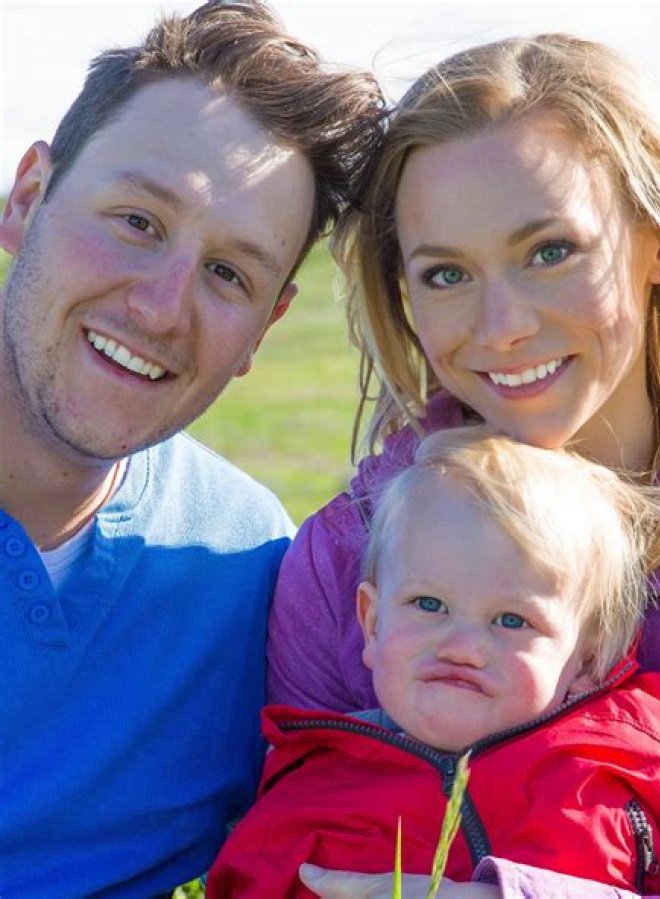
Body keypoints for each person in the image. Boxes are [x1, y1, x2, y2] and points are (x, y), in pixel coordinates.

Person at [267, 32, 660, 899]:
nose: (502, 326)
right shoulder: (344, 560)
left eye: (550, 251)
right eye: (446, 274)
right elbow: (284, 845)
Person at [0, 2, 384, 895]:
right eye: (137, 221)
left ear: (264, 329)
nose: (162, 308)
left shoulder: (249, 567)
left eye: (227, 274)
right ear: (27, 199)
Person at [209, 427, 660, 898]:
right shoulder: (314, 789)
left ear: (589, 658)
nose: (461, 647)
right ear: (372, 623)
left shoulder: (644, 743)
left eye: (512, 620)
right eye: (429, 605)